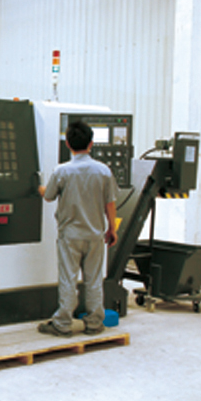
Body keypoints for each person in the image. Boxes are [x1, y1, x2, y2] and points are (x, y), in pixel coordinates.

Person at [37, 121, 118, 337]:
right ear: (91, 143)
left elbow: (49, 196)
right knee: (94, 280)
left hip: (70, 236)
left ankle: (63, 324)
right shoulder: (104, 171)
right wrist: (112, 229)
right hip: (95, 235)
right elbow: (110, 203)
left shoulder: (62, 171)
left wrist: (40, 187)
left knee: (68, 279)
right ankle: (94, 323)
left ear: (68, 144)